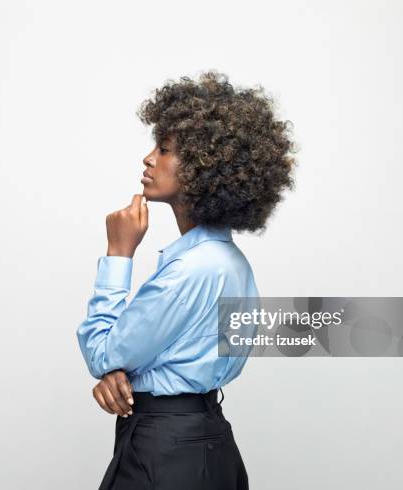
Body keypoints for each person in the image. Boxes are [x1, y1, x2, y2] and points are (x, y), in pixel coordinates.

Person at [76, 70, 296, 489]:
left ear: (203, 167)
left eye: (164, 149)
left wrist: (118, 254)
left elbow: (103, 354)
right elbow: (150, 357)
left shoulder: (191, 270)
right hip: (208, 443)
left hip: (165, 450)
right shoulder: (232, 263)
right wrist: (123, 376)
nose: (148, 159)